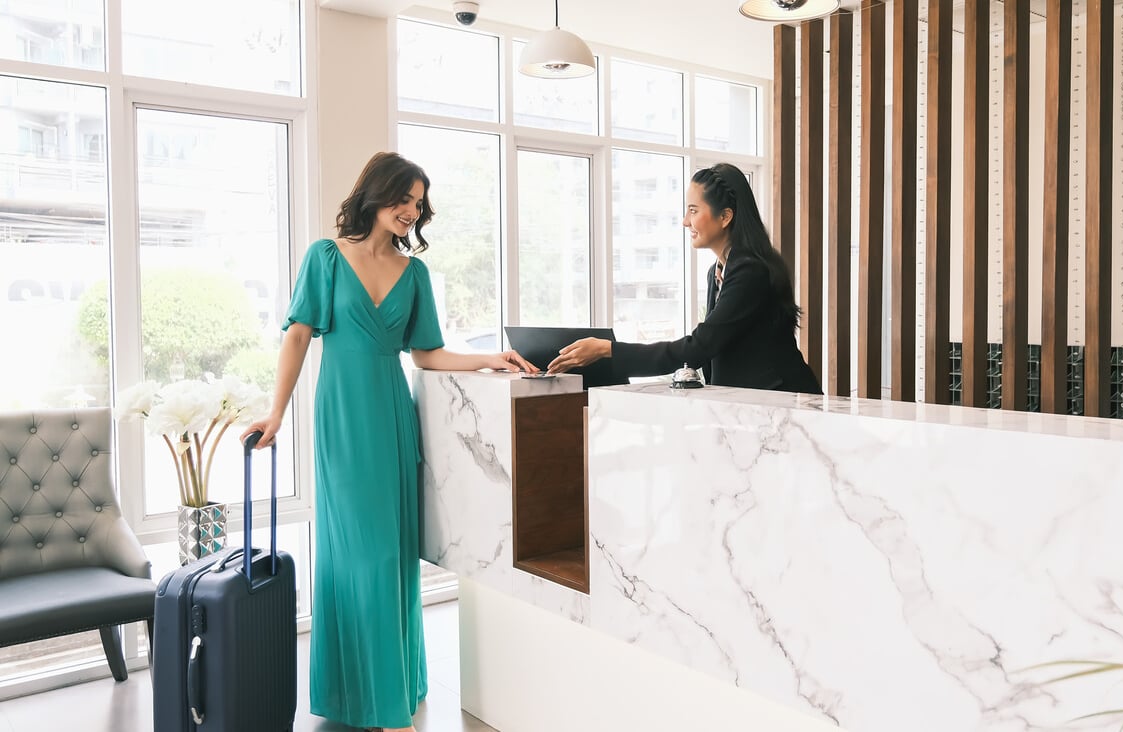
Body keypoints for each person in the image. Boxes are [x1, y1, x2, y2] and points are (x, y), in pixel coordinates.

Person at [242, 151, 537, 732]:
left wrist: (488, 360)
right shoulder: (325, 258)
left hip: (392, 417)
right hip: (343, 419)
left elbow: (427, 353)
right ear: (376, 195)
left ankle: (391, 688)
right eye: (403, 199)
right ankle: (372, 697)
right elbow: (298, 335)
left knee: (390, 556)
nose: (411, 211)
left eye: (419, 203)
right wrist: (276, 412)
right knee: (360, 553)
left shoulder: (415, 274)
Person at [547, 162, 821, 395]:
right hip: (750, 407)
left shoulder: (750, 271)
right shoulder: (717, 272)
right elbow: (714, 353)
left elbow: (700, 347)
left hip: (784, 404)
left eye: (693, 210)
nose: (685, 222)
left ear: (725, 216)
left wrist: (609, 350)